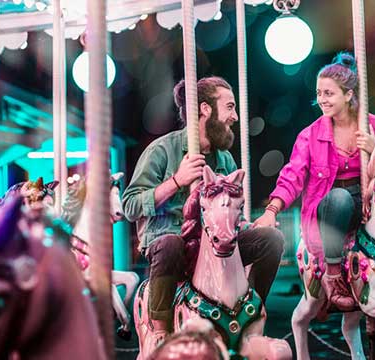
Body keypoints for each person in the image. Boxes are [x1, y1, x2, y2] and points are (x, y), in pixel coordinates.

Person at [254, 52, 375, 311]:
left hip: (373, 198)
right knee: (340, 199)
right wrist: (272, 210)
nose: (321, 100)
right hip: (332, 207)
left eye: (329, 93)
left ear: (348, 95)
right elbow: (292, 175)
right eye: (319, 93)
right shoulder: (311, 135)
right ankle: (334, 274)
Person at [122, 76, 285, 346]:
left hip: (215, 242)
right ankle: (160, 331)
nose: (234, 116)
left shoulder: (224, 159)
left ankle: (250, 313)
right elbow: (130, 205)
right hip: (174, 239)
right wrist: (176, 181)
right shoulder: (162, 149)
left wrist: (248, 226)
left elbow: (231, 215)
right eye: (230, 107)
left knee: (272, 240)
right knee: (170, 244)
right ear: (205, 109)